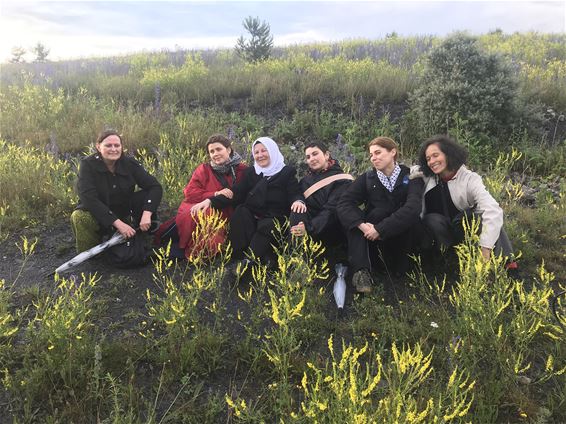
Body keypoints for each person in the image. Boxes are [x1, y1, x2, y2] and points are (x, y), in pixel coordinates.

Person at [192, 137, 304, 265]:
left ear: (272, 151)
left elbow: (295, 193)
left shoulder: (286, 172)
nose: (260, 155)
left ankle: (251, 260)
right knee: (241, 212)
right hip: (254, 214)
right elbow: (236, 191)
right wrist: (211, 201)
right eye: (256, 152)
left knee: (267, 225)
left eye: (264, 151)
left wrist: (298, 201)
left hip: (274, 216)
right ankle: (237, 257)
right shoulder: (252, 172)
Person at [337, 136, 425, 293]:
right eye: (371, 155)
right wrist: (363, 226)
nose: (373, 158)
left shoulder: (411, 175)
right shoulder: (367, 178)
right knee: (354, 218)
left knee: (411, 218)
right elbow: (344, 203)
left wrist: (381, 229)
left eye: (378, 152)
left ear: (393, 152)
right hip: (374, 240)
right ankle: (362, 272)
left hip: (404, 238)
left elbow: (413, 208)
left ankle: (411, 267)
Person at [418, 135, 517, 269]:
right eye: (428, 158)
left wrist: (485, 248)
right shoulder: (427, 176)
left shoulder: (470, 179)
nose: (431, 161)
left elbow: (493, 209)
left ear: (448, 154)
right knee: (431, 219)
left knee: (485, 216)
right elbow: (406, 170)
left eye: (436, 155)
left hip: (463, 229)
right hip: (441, 232)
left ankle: (508, 264)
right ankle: (448, 258)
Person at [70, 130, 162, 253]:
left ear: (121, 147)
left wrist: (147, 213)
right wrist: (118, 224)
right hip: (100, 213)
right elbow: (89, 198)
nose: (113, 149)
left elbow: (155, 186)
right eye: (108, 145)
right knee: (79, 217)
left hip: (124, 211)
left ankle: (145, 237)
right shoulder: (87, 165)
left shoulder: (129, 163)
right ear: (98, 146)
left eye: (117, 145)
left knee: (146, 195)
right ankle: (92, 255)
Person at [173, 134, 247, 258]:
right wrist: (215, 194)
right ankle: (198, 249)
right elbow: (190, 193)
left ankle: (209, 249)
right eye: (211, 151)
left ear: (228, 149)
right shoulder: (204, 169)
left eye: (219, 149)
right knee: (199, 213)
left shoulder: (242, 169)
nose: (215, 154)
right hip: (200, 203)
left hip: (226, 208)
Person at [289, 142, 353, 249]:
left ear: (326, 155)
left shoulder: (342, 180)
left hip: (330, 228)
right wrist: (298, 201)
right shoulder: (305, 181)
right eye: (308, 157)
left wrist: (309, 228)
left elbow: (332, 210)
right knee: (297, 211)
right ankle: (296, 257)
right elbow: (296, 193)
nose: (312, 159)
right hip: (308, 226)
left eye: (315, 154)